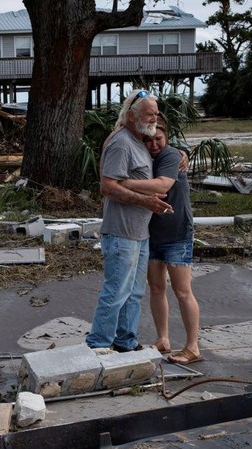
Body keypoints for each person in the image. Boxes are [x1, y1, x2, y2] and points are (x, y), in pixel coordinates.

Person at [85, 91, 174, 353]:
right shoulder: (122, 143)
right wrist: (145, 201)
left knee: (134, 293)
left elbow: (164, 147)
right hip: (121, 232)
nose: (154, 117)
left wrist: (181, 154)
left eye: (156, 113)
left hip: (139, 233)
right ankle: (98, 344)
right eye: (149, 113)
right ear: (132, 114)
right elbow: (107, 187)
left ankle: (125, 341)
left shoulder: (140, 140)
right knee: (116, 292)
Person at [140, 118, 202, 364]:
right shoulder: (144, 158)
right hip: (151, 234)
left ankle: (193, 346)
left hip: (177, 233)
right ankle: (163, 339)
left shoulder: (172, 156)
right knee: (156, 288)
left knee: (183, 291)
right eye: (148, 139)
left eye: (158, 139)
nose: (154, 144)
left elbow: (162, 188)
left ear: (166, 138)